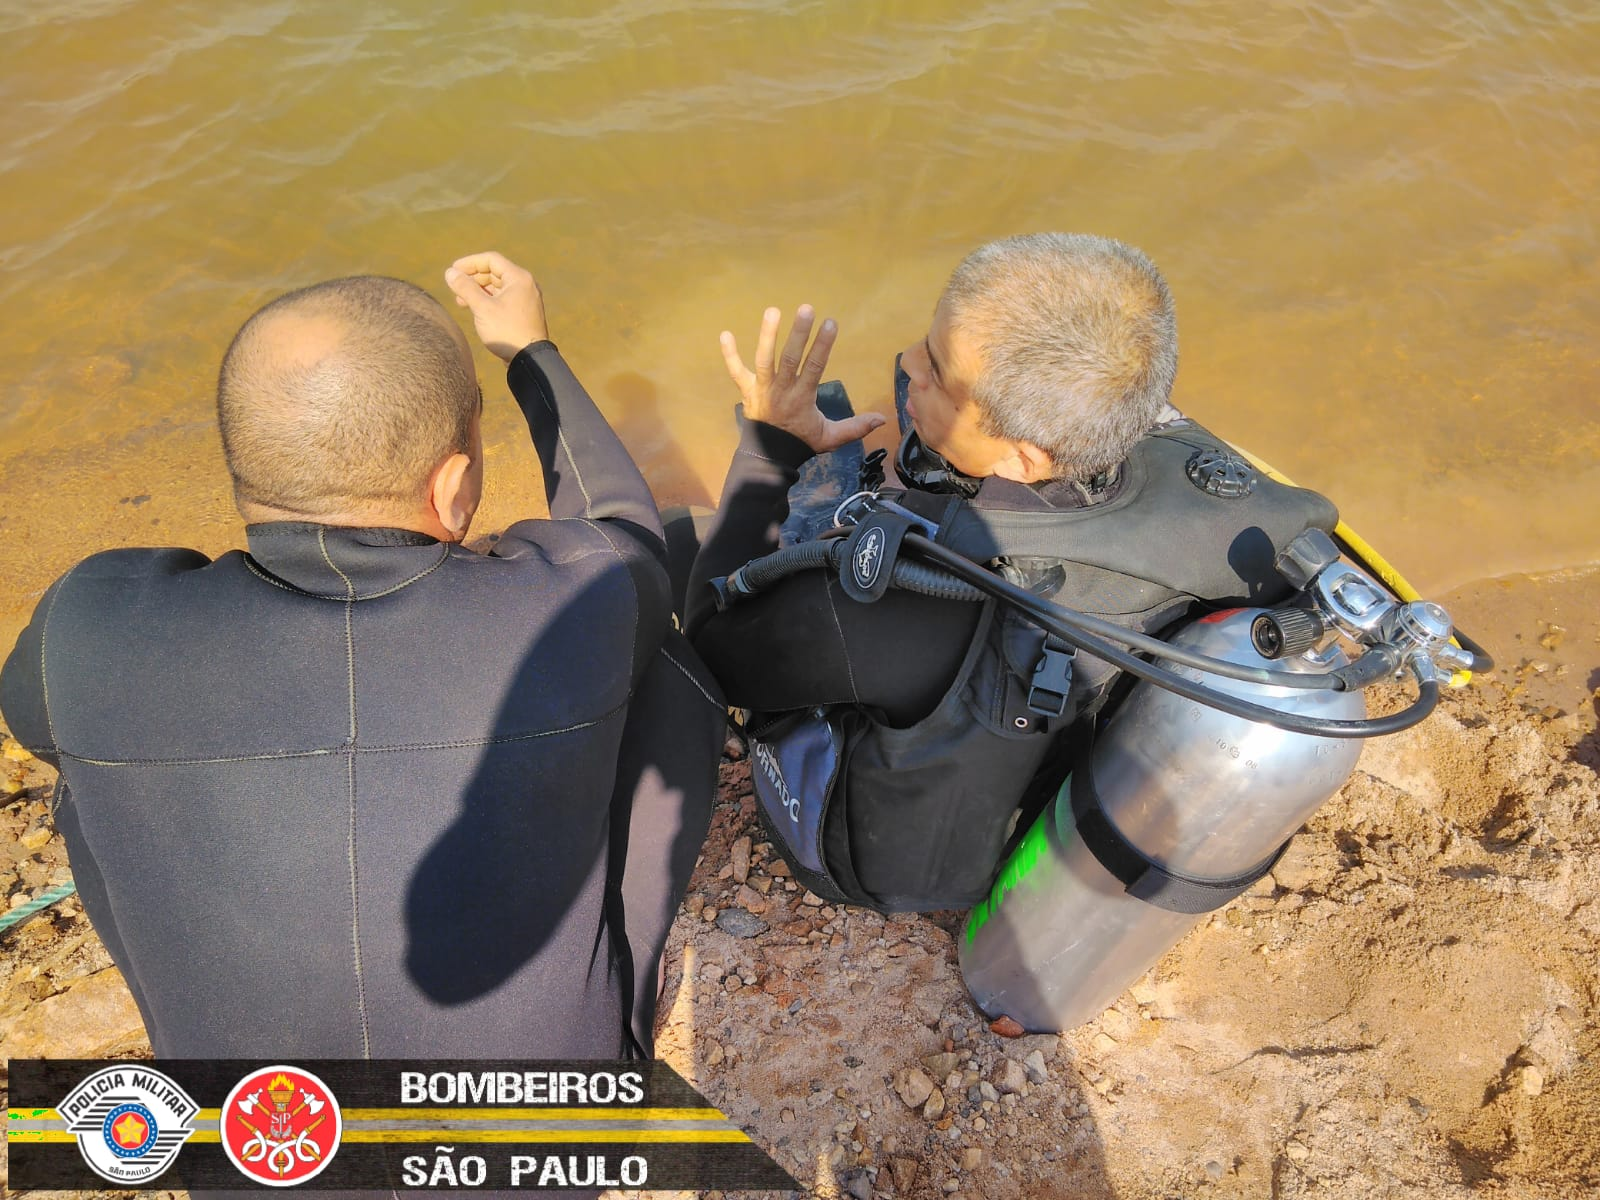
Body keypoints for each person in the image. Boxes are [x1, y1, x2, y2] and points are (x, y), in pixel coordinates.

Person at [0, 251, 723, 1062]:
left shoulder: (87, 628)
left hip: (250, 1166)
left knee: (80, 743)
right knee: (660, 664)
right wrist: (530, 353)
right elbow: (624, 531)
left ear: (245, 464)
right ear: (453, 487)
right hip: (548, 1153)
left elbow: (28, 713)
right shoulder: (567, 598)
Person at [686, 233, 1337, 913]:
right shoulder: (1240, 519)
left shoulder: (917, 594)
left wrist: (769, 452)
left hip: (879, 862)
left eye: (935, 369)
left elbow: (710, 649)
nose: (909, 363)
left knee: (684, 539)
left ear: (1024, 458)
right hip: (1049, 794)